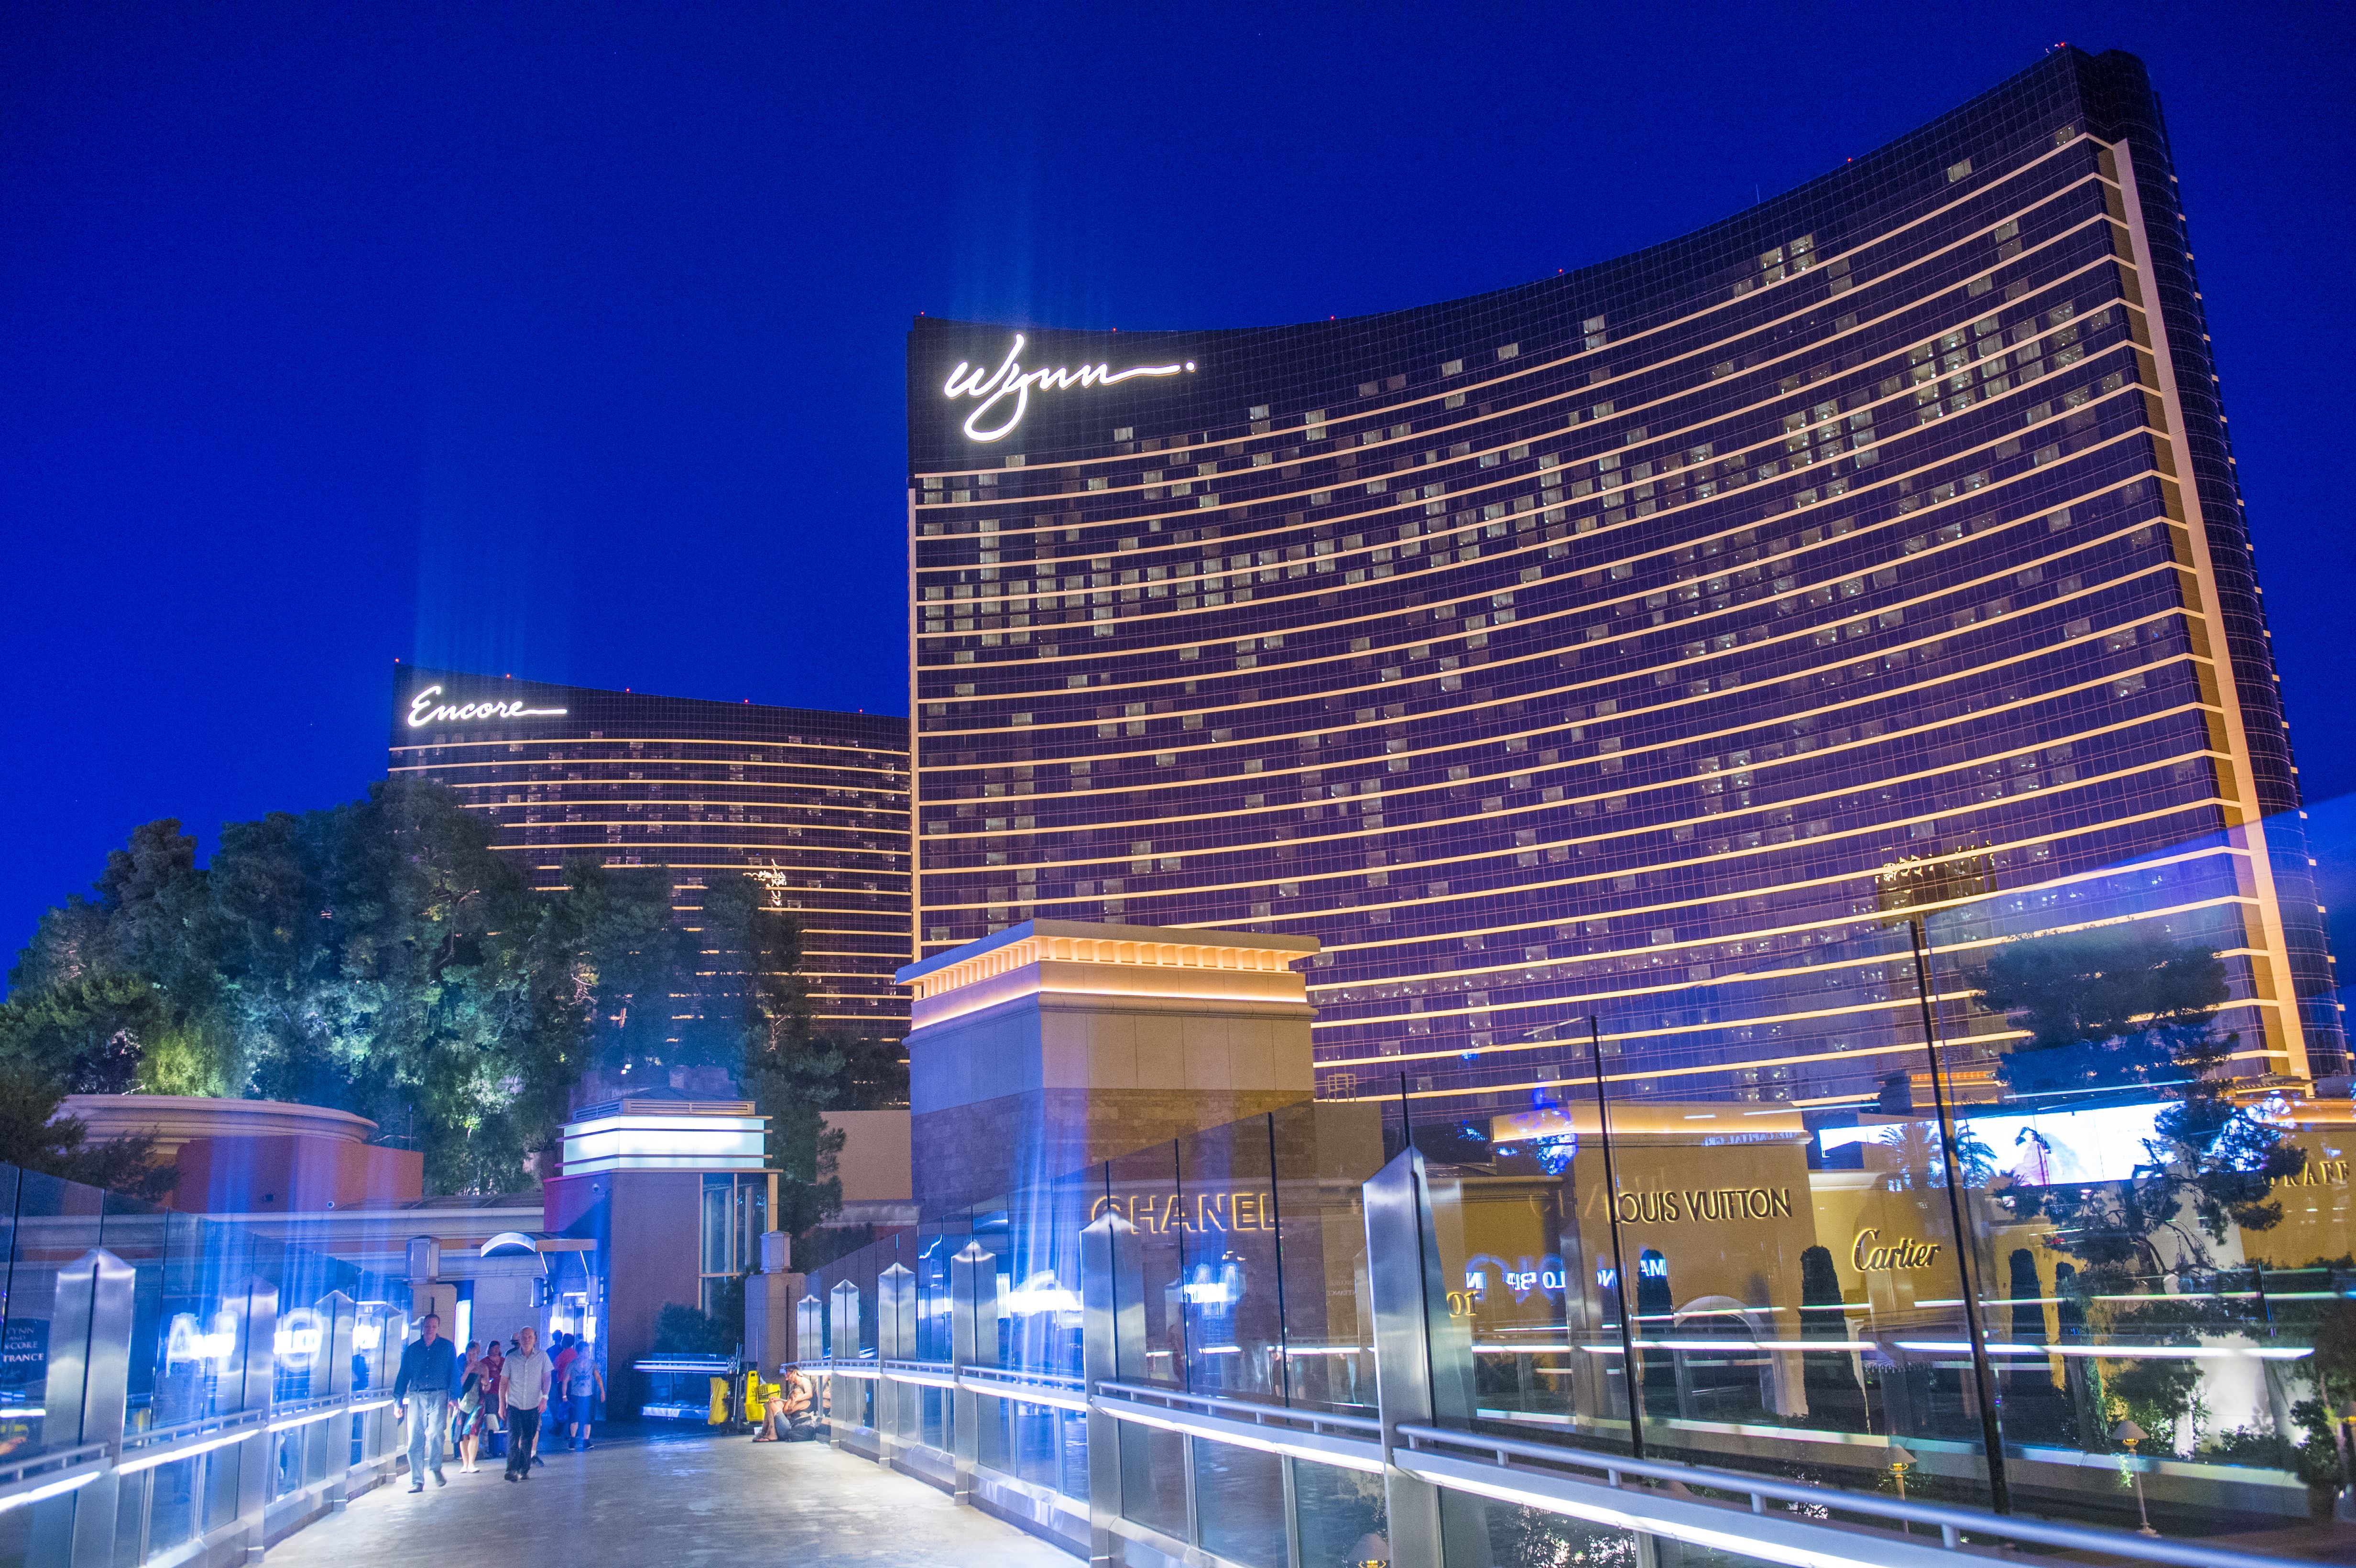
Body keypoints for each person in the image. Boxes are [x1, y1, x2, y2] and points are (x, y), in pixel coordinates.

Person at [391, 1312, 459, 1493]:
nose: (430, 1330)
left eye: (434, 1327)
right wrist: (397, 1401)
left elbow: (454, 1371)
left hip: (439, 1394)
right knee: (415, 1437)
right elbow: (403, 1374)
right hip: (417, 1395)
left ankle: (436, 1468)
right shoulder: (413, 1350)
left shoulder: (446, 1347)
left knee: (437, 1433)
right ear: (423, 1328)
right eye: (427, 1326)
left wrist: (454, 1396)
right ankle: (417, 1480)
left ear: (438, 1328)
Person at [499, 1325, 553, 1481]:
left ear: (535, 1339)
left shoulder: (542, 1357)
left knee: (528, 1438)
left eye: (530, 1337)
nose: (527, 1340)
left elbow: (547, 1378)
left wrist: (545, 1398)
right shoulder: (511, 1358)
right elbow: (503, 1383)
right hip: (515, 1404)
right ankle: (511, 1469)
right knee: (513, 1436)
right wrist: (502, 1405)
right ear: (519, 1341)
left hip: (533, 1404)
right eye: (524, 1338)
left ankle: (524, 1469)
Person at [563, 1341, 604, 1450]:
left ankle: (586, 1441)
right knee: (574, 1419)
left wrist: (602, 1391)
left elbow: (598, 1377)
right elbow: (565, 1380)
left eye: (589, 1351)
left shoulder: (592, 1364)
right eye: (586, 1351)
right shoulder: (572, 1365)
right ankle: (573, 1440)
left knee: (587, 1420)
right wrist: (564, 1396)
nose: (588, 1353)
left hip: (588, 1396)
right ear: (580, 1352)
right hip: (575, 1396)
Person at [452, 1345, 487, 1472]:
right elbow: (458, 1384)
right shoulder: (460, 1366)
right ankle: (465, 1464)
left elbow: (486, 1386)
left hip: (478, 1402)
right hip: (462, 1403)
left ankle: (472, 1463)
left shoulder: (483, 1367)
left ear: (478, 1354)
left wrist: (486, 1384)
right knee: (463, 1435)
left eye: (474, 1354)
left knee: (473, 1431)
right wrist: (468, 1371)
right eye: (469, 1354)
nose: (472, 1356)